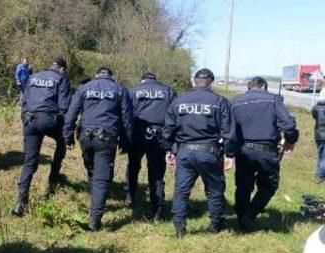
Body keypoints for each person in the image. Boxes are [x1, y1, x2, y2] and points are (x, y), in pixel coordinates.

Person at [161, 68, 236, 237]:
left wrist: (170, 150)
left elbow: (167, 130)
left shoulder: (179, 101)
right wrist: (230, 155)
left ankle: (179, 228)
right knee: (214, 191)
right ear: (211, 83)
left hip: (185, 153)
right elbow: (229, 133)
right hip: (210, 153)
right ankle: (216, 226)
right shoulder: (220, 101)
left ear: (193, 82)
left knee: (181, 191)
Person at [63, 67, 133, 230]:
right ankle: (94, 222)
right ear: (111, 75)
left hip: (86, 138)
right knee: (101, 179)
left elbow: (71, 113)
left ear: (96, 75)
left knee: (93, 173)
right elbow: (127, 119)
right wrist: (126, 141)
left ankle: (95, 208)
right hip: (106, 139)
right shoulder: (120, 89)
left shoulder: (84, 88)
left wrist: (68, 136)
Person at [231, 77, 299, 232]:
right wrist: (291, 140)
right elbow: (288, 124)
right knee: (269, 185)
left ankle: (242, 218)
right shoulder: (274, 100)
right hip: (266, 151)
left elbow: (228, 127)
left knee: (243, 185)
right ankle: (250, 214)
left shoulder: (235, 102)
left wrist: (229, 150)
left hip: (243, 150)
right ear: (263, 86)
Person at [12, 57, 71, 217]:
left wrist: (24, 118)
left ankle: (21, 203)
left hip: (30, 120)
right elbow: (65, 106)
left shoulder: (34, 76)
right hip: (49, 120)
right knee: (62, 141)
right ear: (62, 69)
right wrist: (66, 128)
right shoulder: (62, 79)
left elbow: (24, 99)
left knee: (29, 162)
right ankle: (54, 175)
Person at [124, 72, 177, 221]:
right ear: (156, 79)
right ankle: (157, 211)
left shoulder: (133, 90)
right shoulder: (169, 91)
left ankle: (130, 197)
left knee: (133, 166)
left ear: (143, 80)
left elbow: (127, 114)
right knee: (157, 174)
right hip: (160, 135)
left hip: (138, 134)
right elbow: (174, 116)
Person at [311, 89, 325, 184]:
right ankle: (320, 175)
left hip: (318, 134)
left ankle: (317, 173)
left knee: (321, 155)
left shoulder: (315, 107)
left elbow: (314, 116)